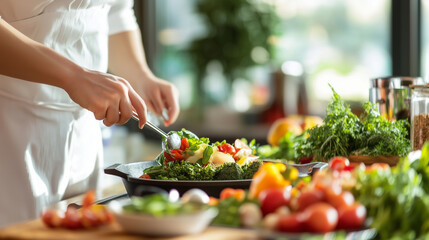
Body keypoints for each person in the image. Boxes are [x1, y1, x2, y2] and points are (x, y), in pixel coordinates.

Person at [0, 0, 180, 228]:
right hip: (10, 125)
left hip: (86, 128)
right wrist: (72, 76)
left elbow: (115, 10)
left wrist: (141, 76)